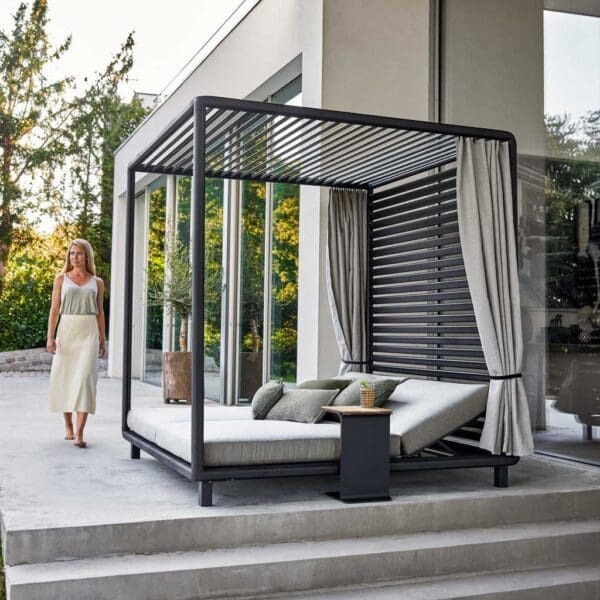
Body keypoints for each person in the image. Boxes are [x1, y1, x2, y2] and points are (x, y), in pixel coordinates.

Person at [47, 239, 106, 448]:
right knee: (66, 378)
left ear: (87, 256)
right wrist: (50, 337)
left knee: (85, 380)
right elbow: (54, 310)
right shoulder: (61, 279)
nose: (75, 257)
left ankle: (80, 433)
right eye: (72, 253)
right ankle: (68, 426)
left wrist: (103, 339)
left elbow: (100, 313)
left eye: (79, 253)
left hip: (88, 332)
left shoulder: (97, 282)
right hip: (67, 330)